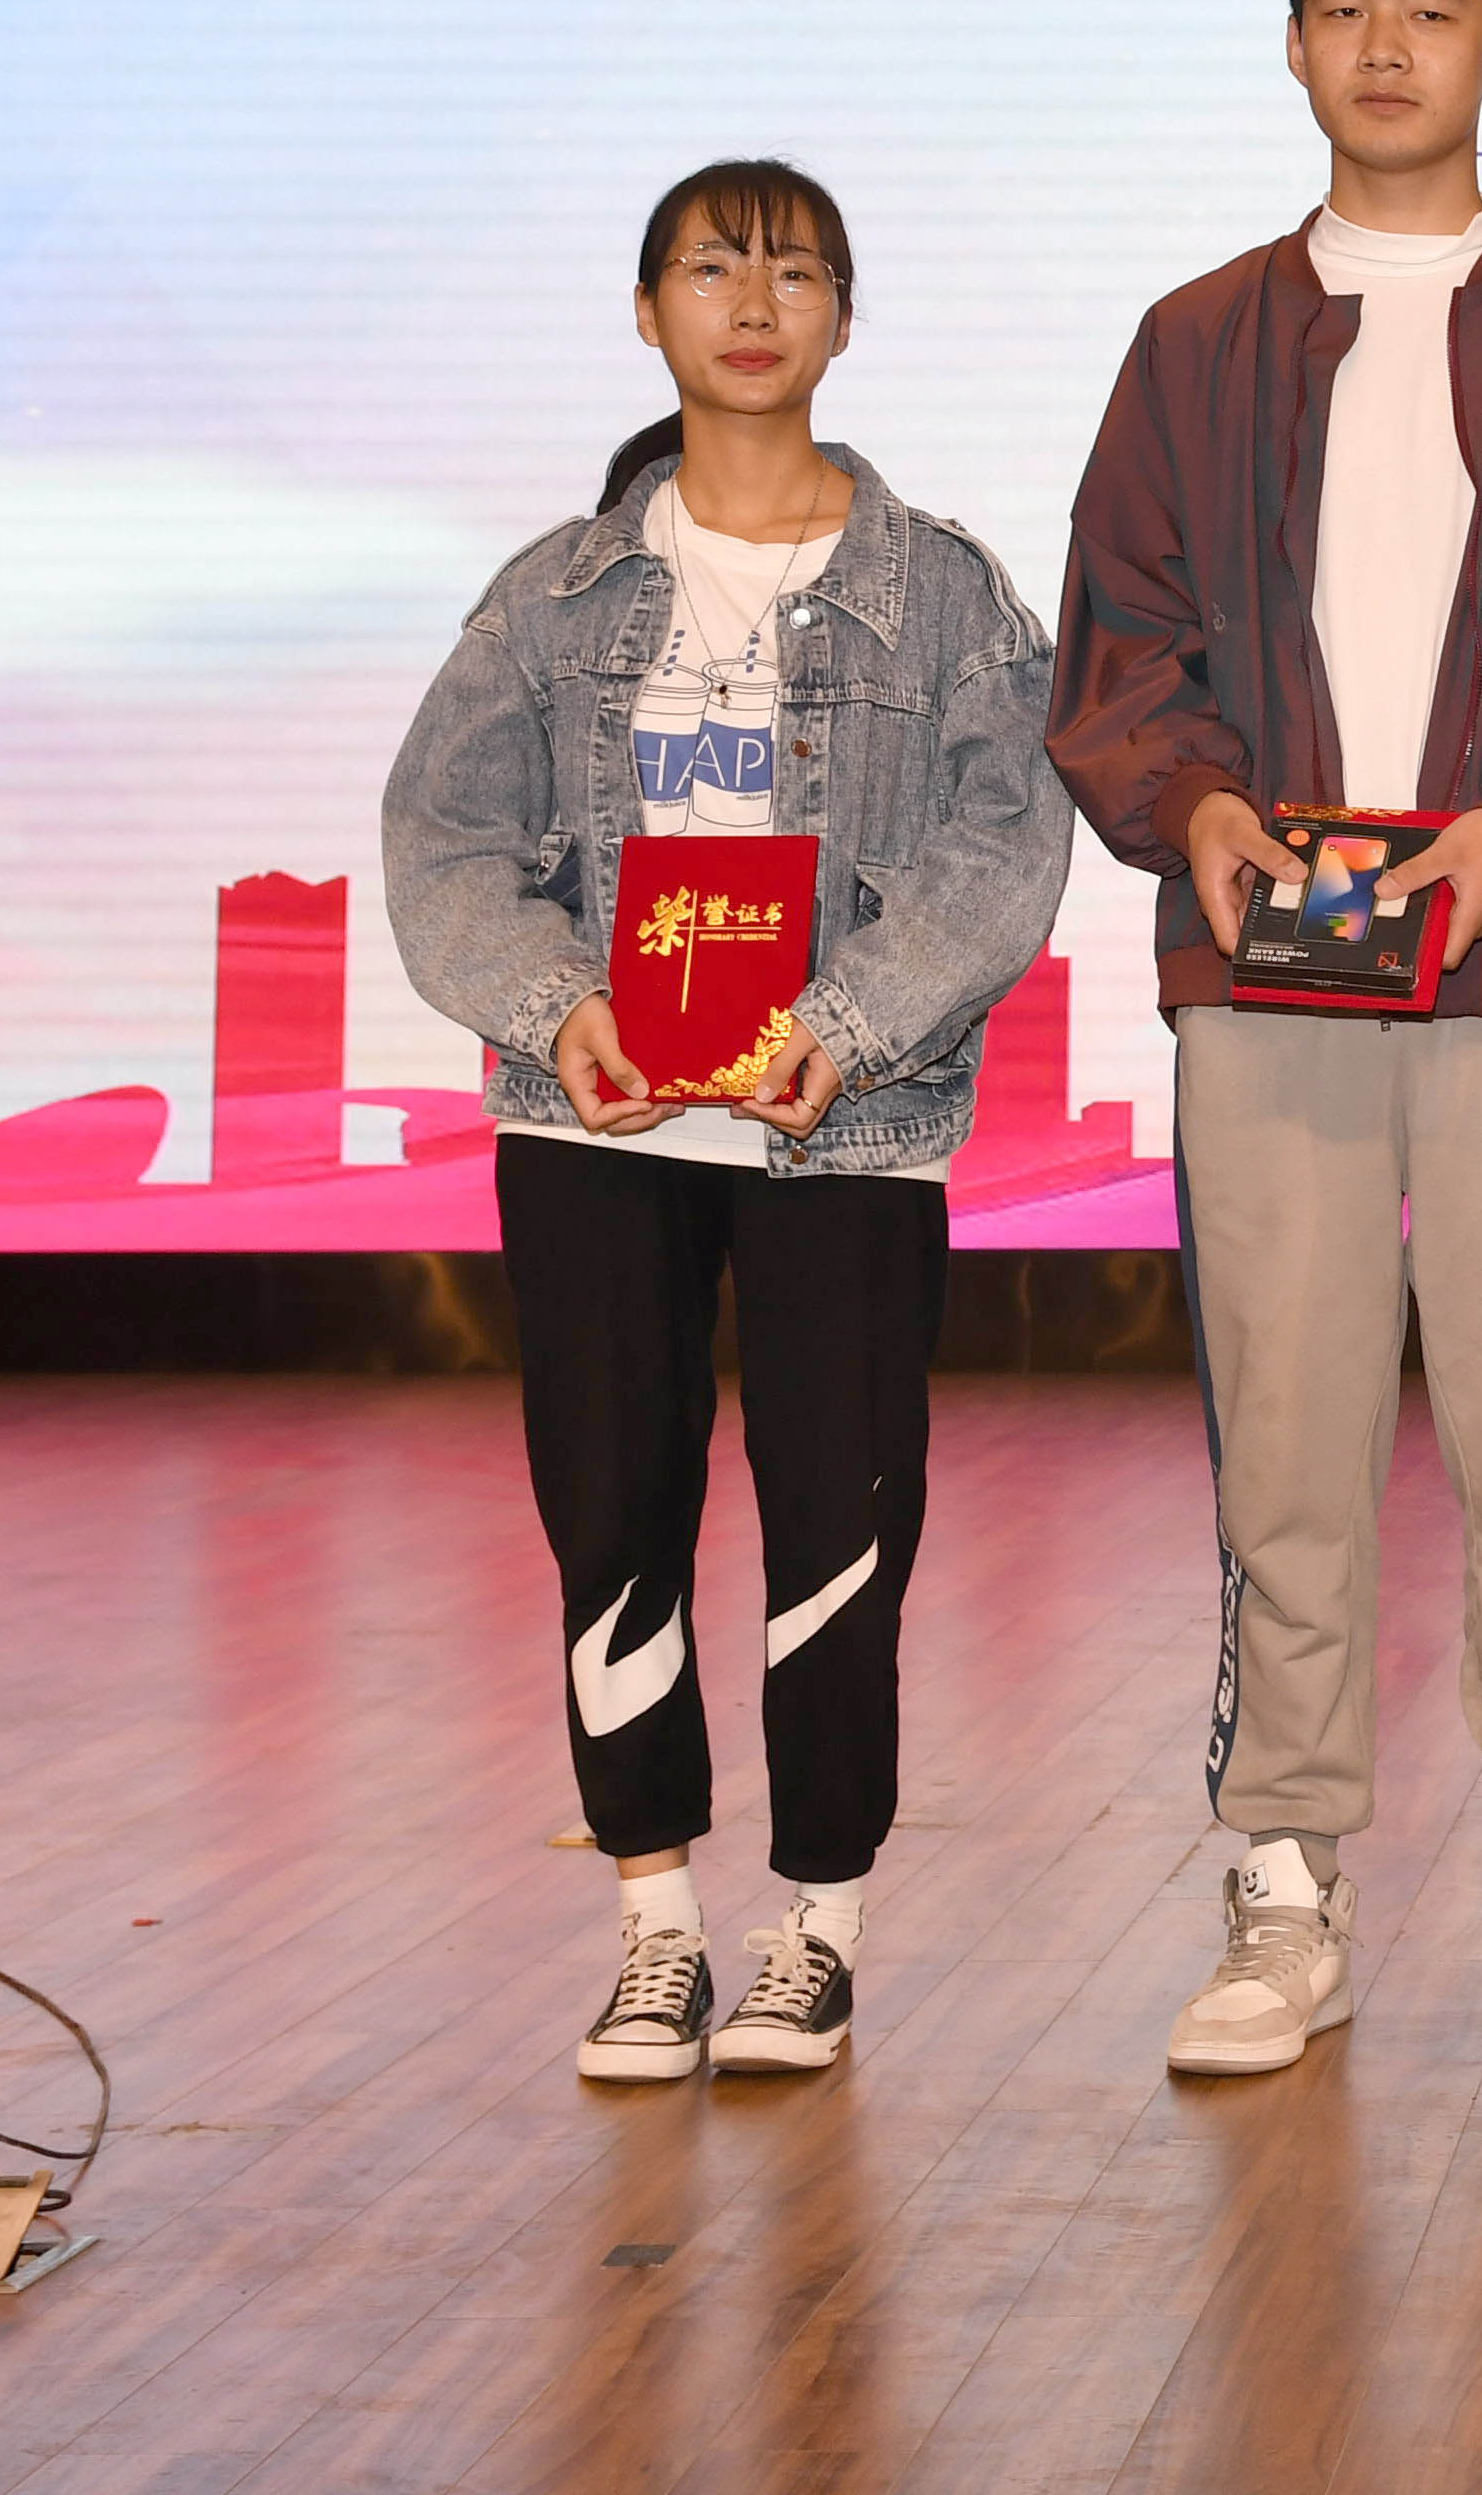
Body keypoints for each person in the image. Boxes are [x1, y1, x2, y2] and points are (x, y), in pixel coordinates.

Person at [1051, 0, 1482, 2083]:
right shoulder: (1198, 338)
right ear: (1296, 43)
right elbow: (1122, 635)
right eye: (1344, 3)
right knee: (1290, 1429)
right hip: (1270, 969)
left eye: (1433, 5)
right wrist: (1204, 814)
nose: (1387, 42)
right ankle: (1284, 1875)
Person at [383, 159, 1074, 2086]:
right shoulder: (553, 593)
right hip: (594, 1125)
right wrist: (558, 1007)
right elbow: (441, 841)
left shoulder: (944, 593)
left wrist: (845, 1023)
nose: (754, 304)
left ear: (847, 318)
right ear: (647, 310)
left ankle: (817, 1931)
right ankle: (657, 1928)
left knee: (842, 1526)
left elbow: (1007, 844)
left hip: (847, 1129)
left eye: (796, 273)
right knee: (612, 1517)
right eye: (712, 268)